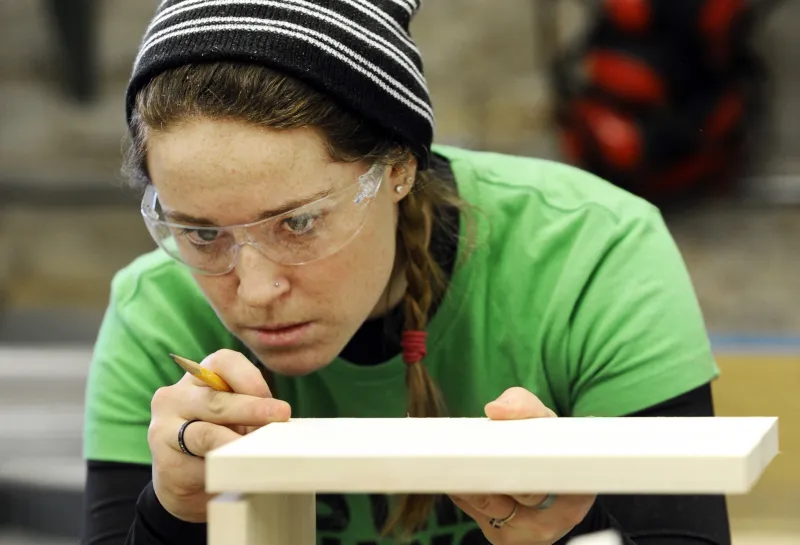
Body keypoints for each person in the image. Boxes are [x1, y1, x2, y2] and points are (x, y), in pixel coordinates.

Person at [80, 1, 732, 544]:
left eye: (298, 223)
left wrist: (575, 530)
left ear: (397, 168)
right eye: (200, 233)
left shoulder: (592, 255)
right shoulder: (154, 307)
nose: (254, 290)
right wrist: (173, 513)